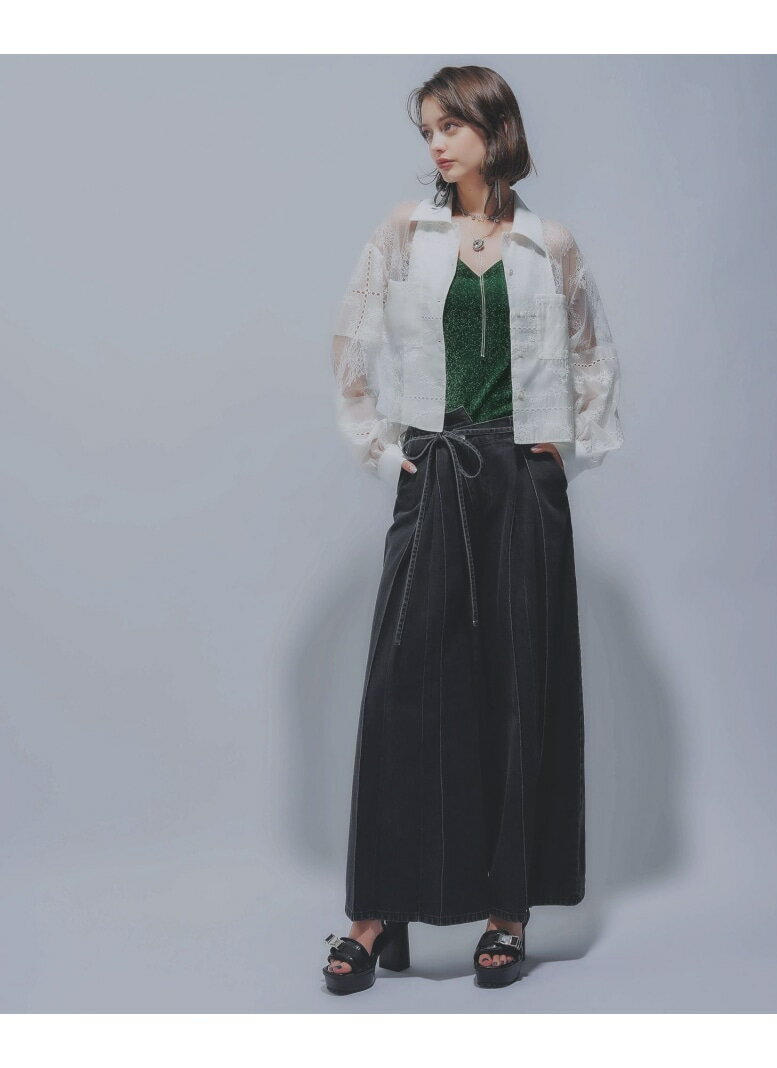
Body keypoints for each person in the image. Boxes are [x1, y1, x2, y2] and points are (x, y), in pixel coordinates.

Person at [323, 64, 623, 995]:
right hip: (436, 469)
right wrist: (386, 453)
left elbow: (594, 357)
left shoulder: (547, 243)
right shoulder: (405, 234)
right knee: (405, 689)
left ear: (496, 129)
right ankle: (375, 912)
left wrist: (559, 453)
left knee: (516, 688)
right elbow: (349, 346)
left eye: (450, 125)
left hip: (520, 483)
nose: (436, 144)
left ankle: (508, 910)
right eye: (426, 131)